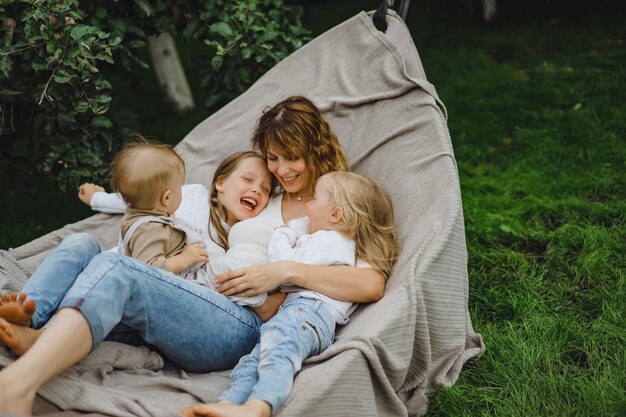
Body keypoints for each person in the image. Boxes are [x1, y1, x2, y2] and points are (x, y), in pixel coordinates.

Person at [0, 96, 387, 416]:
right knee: (91, 253)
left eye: (292, 158)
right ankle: (39, 332)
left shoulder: (335, 203)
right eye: (273, 158)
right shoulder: (264, 194)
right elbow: (163, 200)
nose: (281, 171)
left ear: (314, 149)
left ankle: (19, 383)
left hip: (243, 319)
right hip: (202, 295)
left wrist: (285, 273)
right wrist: (102, 198)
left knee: (116, 269)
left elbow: (371, 282)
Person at [183, 171, 398, 417]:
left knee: (277, 353)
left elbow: (283, 264)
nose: (308, 205)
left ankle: (259, 406)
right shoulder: (333, 242)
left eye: (315, 200)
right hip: (301, 315)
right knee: (254, 360)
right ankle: (228, 405)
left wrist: (281, 234)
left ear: (336, 215)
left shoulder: (328, 240)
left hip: (307, 312)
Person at [109, 141, 270, 306]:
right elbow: (144, 194)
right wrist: (97, 198)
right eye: (248, 179)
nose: (257, 189)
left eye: (266, 189)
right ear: (220, 183)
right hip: (132, 262)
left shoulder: (243, 235)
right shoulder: (194, 196)